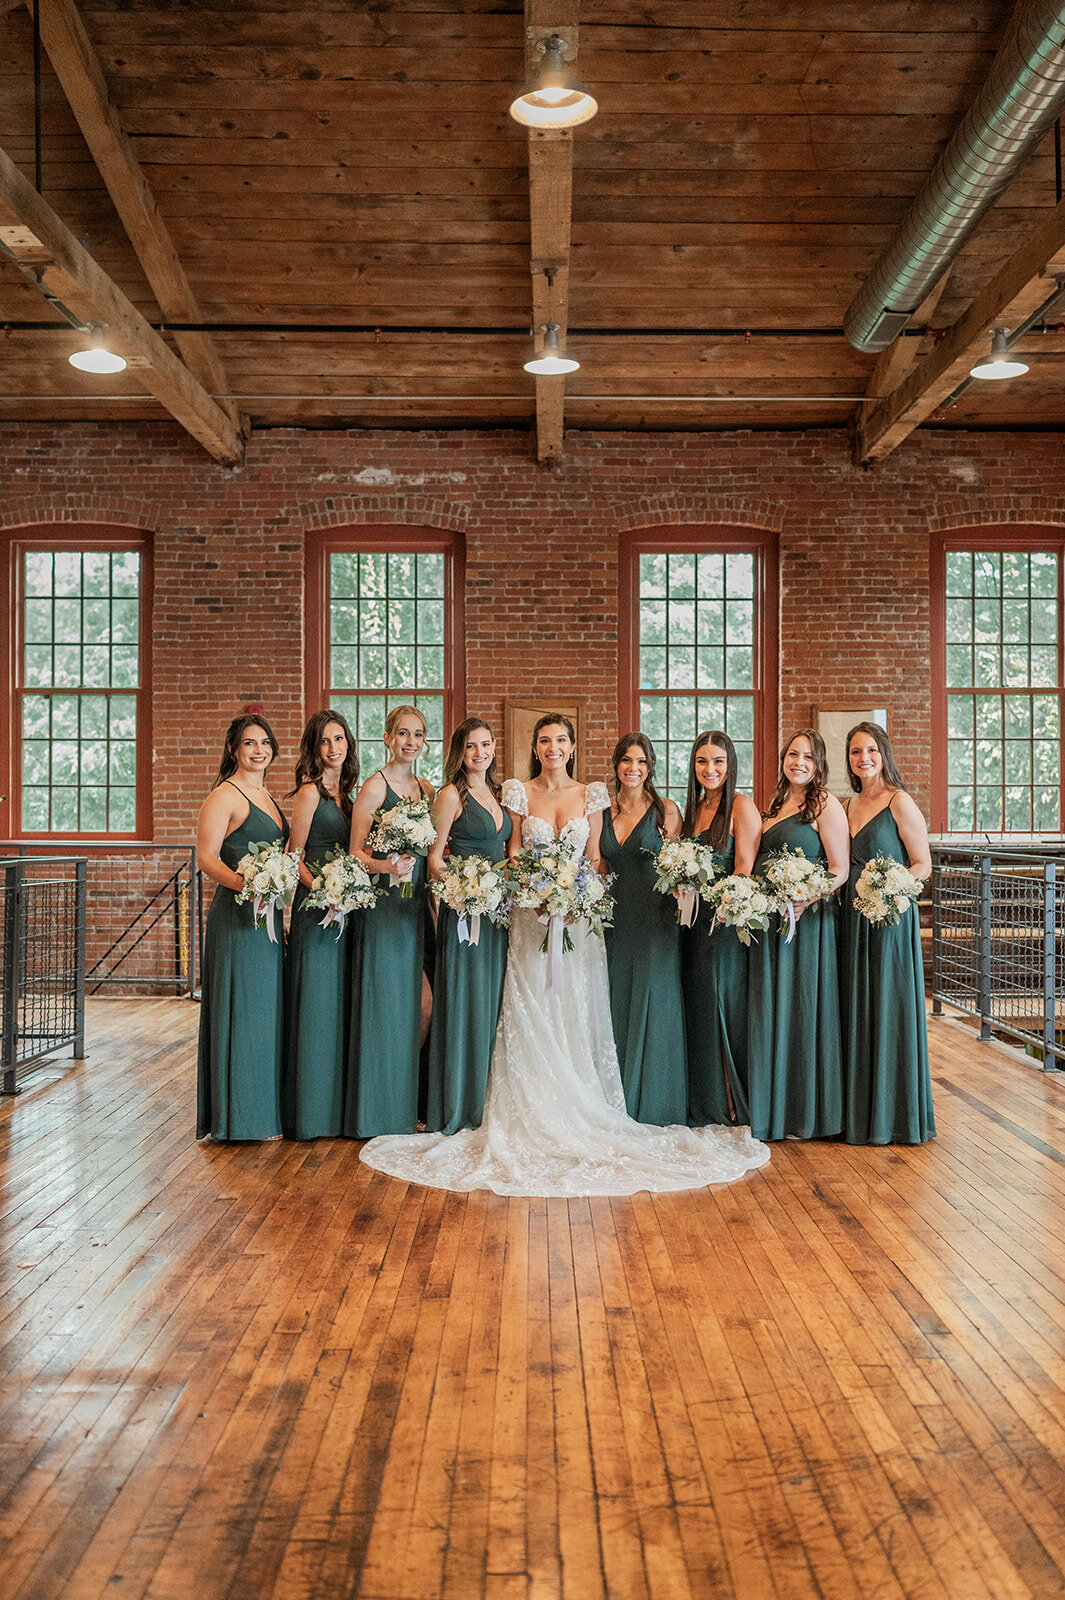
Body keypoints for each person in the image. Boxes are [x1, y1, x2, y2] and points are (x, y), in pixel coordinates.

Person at [359, 713, 770, 1196]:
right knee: (527, 1008)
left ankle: (581, 1105)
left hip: (576, 921)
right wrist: (537, 890)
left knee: (575, 1013)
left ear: (572, 746)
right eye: (545, 741)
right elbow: (512, 851)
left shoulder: (591, 794)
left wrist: (575, 895)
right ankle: (526, 1108)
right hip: (528, 919)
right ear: (535, 748)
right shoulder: (515, 792)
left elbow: (596, 858)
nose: (553, 748)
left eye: (560, 740)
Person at [747, 728, 849, 1141]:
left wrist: (806, 896)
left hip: (808, 925)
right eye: (793, 754)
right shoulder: (772, 805)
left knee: (803, 1008)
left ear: (818, 762)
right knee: (772, 1008)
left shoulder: (824, 804)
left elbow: (839, 869)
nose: (799, 762)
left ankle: (805, 1113)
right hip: (770, 923)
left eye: (808, 756)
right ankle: (772, 1109)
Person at [841, 721, 935, 1144]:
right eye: (856, 752)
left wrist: (890, 890)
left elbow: (922, 864)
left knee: (888, 1006)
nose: (864, 759)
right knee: (855, 1006)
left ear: (884, 754)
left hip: (890, 918)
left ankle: (894, 1116)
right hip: (850, 919)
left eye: (871, 750)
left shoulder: (899, 801)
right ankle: (858, 1113)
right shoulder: (845, 806)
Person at [345, 704, 435, 1137]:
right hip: (383, 910)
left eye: (418, 734)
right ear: (387, 737)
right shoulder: (374, 789)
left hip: (414, 909)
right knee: (389, 1004)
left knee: (420, 1006)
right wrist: (387, 867)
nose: (410, 742)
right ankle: (379, 1108)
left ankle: (403, 1098)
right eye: (403, 733)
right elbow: (355, 852)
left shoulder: (425, 788)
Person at [196, 714, 287, 1141]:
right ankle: (236, 1119)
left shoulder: (265, 794)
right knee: (241, 1011)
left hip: (268, 921)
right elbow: (207, 857)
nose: (258, 750)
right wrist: (245, 885)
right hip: (236, 919)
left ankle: (261, 1113)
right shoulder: (224, 795)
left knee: (264, 1014)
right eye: (249, 743)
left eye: (264, 742)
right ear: (234, 749)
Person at [425, 717, 512, 1132]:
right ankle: (458, 1107)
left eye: (487, 745)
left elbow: (508, 855)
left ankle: (488, 1103)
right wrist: (464, 889)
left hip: (496, 917)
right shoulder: (450, 795)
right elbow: (435, 858)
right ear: (460, 752)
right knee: (463, 1005)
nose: (480, 753)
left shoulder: (499, 793)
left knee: (492, 1006)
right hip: (463, 917)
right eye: (472, 746)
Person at [600, 731, 687, 1123]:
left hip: (655, 921)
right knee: (615, 1002)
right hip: (614, 921)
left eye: (641, 762)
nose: (633, 769)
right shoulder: (602, 810)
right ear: (616, 764)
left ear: (650, 767)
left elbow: (680, 866)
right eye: (626, 761)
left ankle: (655, 1104)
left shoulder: (665, 811)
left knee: (654, 1003)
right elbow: (597, 867)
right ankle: (615, 1103)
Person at [281, 709, 359, 1139]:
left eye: (340, 739)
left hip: (347, 910)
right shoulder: (309, 794)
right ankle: (309, 1115)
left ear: (349, 744)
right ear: (315, 748)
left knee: (340, 1007)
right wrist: (324, 891)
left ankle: (337, 1110)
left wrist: (347, 894)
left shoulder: (351, 794)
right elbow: (295, 856)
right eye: (325, 741)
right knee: (316, 1006)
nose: (334, 748)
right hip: (317, 911)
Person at [680, 730, 763, 1127]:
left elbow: (744, 866)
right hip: (690, 925)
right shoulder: (692, 809)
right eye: (701, 761)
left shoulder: (741, 807)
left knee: (722, 1007)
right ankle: (705, 1100)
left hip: (724, 924)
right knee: (698, 1007)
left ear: (730, 765)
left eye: (717, 761)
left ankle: (733, 1103)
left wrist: (728, 902)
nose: (709, 769)